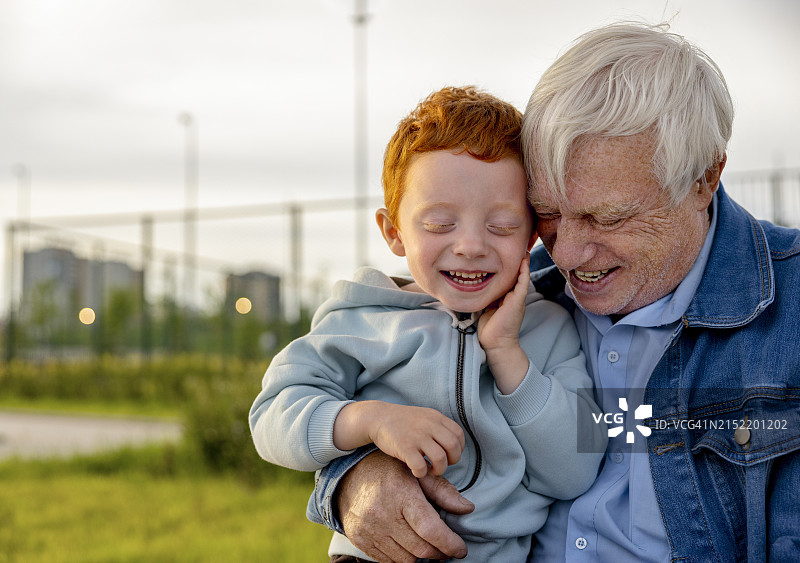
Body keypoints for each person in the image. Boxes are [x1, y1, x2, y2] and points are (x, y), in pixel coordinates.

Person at [307, 22, 800, 563]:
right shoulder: (515, 292)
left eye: (606, 218)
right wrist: (356, 471)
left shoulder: (790, 311)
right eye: (547, 213)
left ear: (704, 178)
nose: (567, 255)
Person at [249, 86, 607, 561]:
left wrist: (507, 356)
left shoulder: (551, 329)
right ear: (393, 232)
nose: (471, 246)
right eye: (440, 224)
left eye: (502, 226)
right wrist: (371, 420)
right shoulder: (361, 317)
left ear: (531, 237)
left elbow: (575, 472)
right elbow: (272, 414)